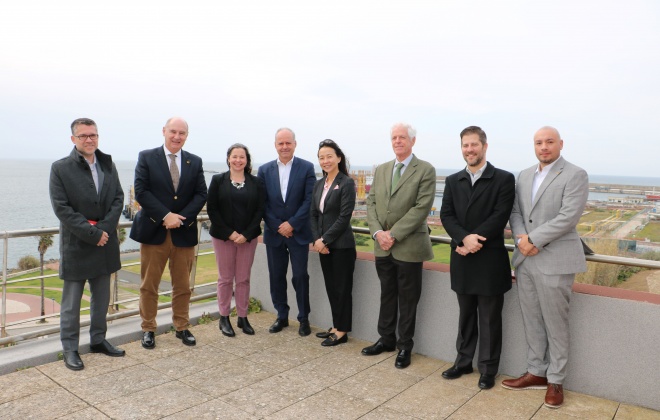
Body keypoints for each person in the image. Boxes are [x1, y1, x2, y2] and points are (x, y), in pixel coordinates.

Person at [503, 126, 589, 409]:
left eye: (549, 142)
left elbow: (568, 217)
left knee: (556, 323)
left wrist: (534, 240)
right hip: (526, 260)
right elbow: (516, 213)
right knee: (532, 320)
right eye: (539, 142)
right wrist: (521, 240)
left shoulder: (575, 174)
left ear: (560, 144)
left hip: (556, 260)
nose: (544, 147)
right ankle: (536, 371)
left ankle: (556, 380)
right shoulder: (525, 175)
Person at [439, 126, 515, 389]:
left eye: (474, 144)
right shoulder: (452, 180)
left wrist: (473, 240)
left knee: (490, 319)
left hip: (489, 260)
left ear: (484, 146)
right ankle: (463, 362)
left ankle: (488, 370)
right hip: (462, 257)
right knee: (466, 315)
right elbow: (446, 215)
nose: (469, 150)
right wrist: (463, 239)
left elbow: (499, 216)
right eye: (465, 145)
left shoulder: (504, 179)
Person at [49, 118, 125, 371]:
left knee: (101, 299)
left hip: (105, 243)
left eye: (93, 135)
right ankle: (70, 348)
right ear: (73, 139)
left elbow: (118, 198)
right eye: (83, 136)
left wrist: (103, 230)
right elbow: (62, 209)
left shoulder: (107, 163)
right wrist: (92, 233)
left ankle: (98, 340)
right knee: (71, 304)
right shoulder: (60, 168)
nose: (89, 139)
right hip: (77, 245)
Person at [129, 117, 208, 349]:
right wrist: (166, 216)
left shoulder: (195, 161)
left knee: (183, 286)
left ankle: (182, 326)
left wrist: (180, 218)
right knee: (149, 285)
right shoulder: (146, 157)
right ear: (164, 131)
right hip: (154, 231)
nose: (177, 136)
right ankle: (148, 328)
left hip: (183, 233)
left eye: (182, 133)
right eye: (173, 131)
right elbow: (141, 191)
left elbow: (201, 194)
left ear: (187, 135)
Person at [362, 123, 436, 369]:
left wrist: (393, 234)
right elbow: (371, 203)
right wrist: (377, 233)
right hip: (382, 246)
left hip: (409, 246)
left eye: (402, 137)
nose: (397, 141)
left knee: (408, 299)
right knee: (387, 295)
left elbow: (422, 207)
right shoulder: (382, 169)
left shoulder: (425, 170)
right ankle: (386, 339)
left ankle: (405, 346)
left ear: (412, 141)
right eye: (394, 137)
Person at [257, 127, 316, 336]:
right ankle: (281, 316)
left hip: (298, 233)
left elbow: (309, 200)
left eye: (288, 143)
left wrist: (292, 224)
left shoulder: (307, 168)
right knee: (276, 277)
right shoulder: (264, 170)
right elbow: (262, 203)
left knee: (300, 276)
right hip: (274, 234)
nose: (284, 147)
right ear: (275, 145)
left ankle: (303, 318)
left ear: (295, 144)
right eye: (280, 143)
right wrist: (277, 226)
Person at [207, 143, 265, 337]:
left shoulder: (256, 182)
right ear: (228, 159)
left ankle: (242, 316)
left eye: (242, 157)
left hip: (248, 238)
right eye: (235, 156)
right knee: (225, 279)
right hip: (223, 237)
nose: (238, 160)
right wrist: (230, 234)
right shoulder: (217, 180)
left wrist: (246, 234)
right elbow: (212, 210)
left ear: (247, 160)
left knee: (243, 279)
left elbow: (259, 210)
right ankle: (224, 317)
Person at [310, 139, 356, 346]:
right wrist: (317, 240)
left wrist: (324, 239)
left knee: (342, 289)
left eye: (329, 156)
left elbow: (344, 218)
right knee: (331, 287)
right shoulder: (319, 184)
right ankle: (336, 325)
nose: (325, 160)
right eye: (321, 157)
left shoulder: (346, 183)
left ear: (338, 157)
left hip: (342, 246)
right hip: (323, 247)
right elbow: (313, 215)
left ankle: (342, 331)